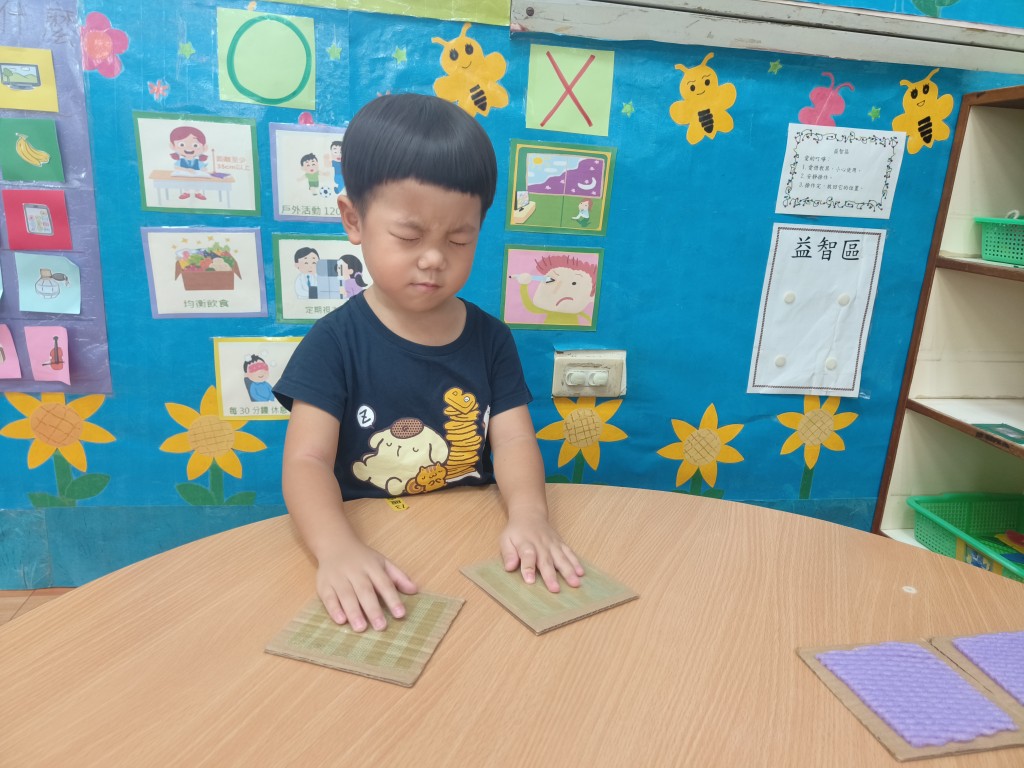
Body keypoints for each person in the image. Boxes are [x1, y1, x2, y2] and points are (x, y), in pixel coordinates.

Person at [274, 93, 583, 633]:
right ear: (353, 219)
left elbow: (513, 439)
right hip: (374, 548)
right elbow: (306, 461)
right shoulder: (333, 343)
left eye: (460, 239)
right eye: (409, 236)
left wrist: (531, 517)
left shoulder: (491, 339)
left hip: (472, 542)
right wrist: (337, 549)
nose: (435, 258)